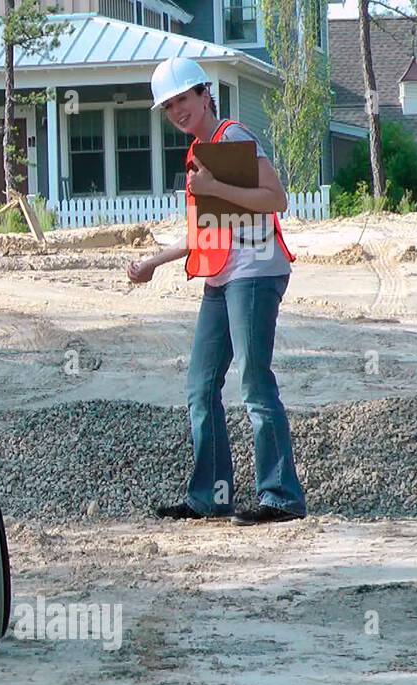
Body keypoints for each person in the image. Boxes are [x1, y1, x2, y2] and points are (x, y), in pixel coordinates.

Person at [128, 58, 305, 525]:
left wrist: (214, 185)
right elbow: (205, 230)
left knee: (253, 381)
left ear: (205, 94)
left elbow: (276, 199)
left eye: (182, 100)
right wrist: (152, 263)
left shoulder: (233, 137)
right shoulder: (199, 153)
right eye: (168, 107)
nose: (177, 111)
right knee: (200, 387)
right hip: (222, 275)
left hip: (255, 272)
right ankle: (212, 496)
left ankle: (282, 497)